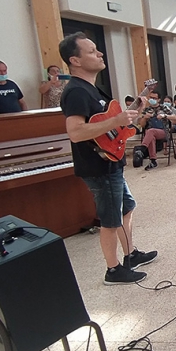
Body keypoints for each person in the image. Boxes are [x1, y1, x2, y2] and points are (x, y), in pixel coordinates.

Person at [58, 32, 157, 285]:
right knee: (110, 219)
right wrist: (116, 120)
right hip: (98, 166)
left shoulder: (92, 89)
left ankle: (130, 254)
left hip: (111, 161)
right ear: (75, 60)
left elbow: (112, 128)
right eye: (91, 51)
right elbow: (76, 131)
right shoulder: (76, 92)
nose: (100, 53)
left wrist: (137, 110)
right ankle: (113, 270)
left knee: (127, 207)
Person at [137, 91, 176, 170]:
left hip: (163, 131)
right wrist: (145, 118)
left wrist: (165, 116)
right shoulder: (147, 109)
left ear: (159, 100)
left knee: (150, 132)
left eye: (154, 98)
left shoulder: (164, 107)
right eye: (151, 97)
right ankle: (153, 160)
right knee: (149, 133)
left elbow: (175, 119)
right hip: (150, 133)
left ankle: (142, 149)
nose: (152, 99)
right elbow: (141, 125)